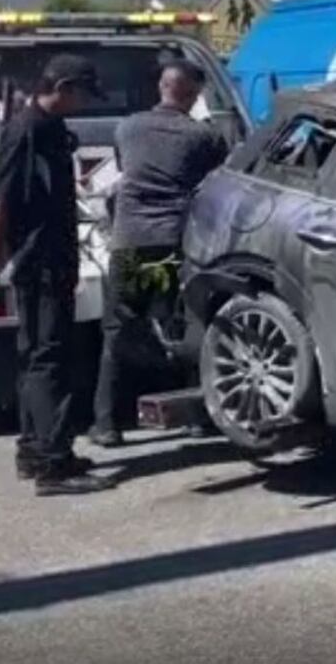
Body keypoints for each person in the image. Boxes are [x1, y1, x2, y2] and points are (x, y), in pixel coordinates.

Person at [0, 55, 115, 495]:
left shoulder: (50, 128)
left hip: (54, 259)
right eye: (82, 94)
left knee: (38, 356)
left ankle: (35, 450)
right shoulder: (26, 131)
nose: (84, 103)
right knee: (48, 360)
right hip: (39, 263)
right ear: (63, 87)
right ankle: (54, 466)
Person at [90, 59, 229, 447]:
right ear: (193, 95)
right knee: (179, 327)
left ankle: (107, 424)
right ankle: (197, 417)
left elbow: (124, 170)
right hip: (172, 243)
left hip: (130, 242)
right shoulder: (204, 137)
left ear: (162, 87)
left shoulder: (128, 127)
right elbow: (217, 181)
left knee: (118, 330)